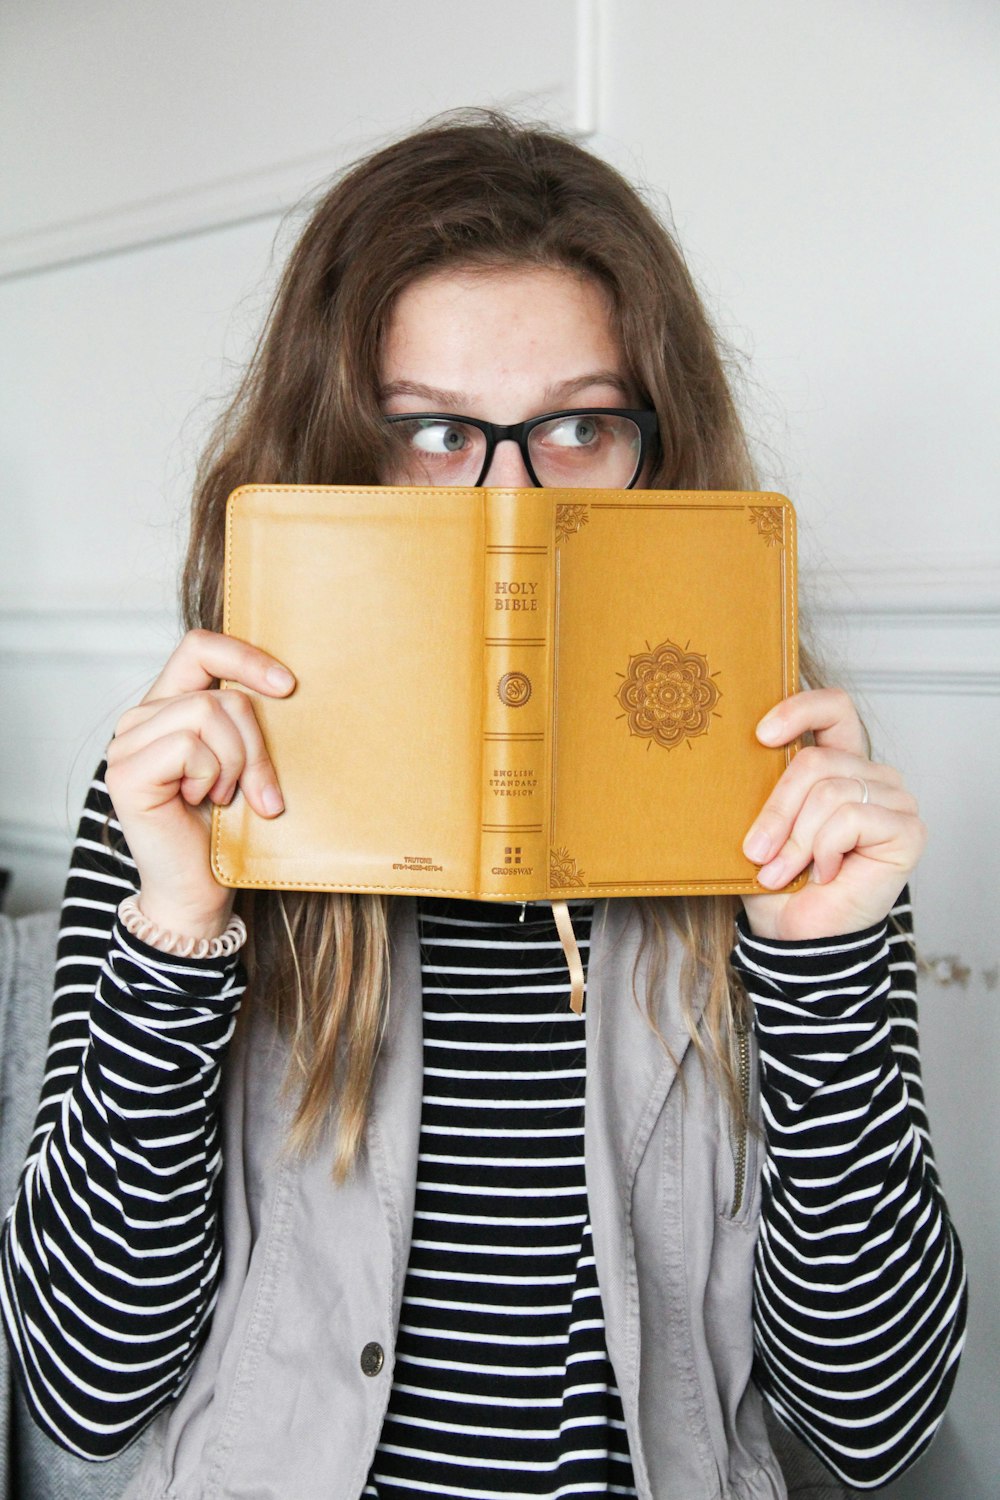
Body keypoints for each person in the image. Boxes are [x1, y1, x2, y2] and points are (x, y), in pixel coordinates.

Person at [1, 111, 966, 1500]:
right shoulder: (183, 789)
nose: (504, 502)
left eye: (578, 425)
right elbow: (88, 1393)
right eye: (434, 433)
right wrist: (177, 934)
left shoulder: (788, 801)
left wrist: (816, 970)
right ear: (335, 453)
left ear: (662, 445)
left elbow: (875, 1425)